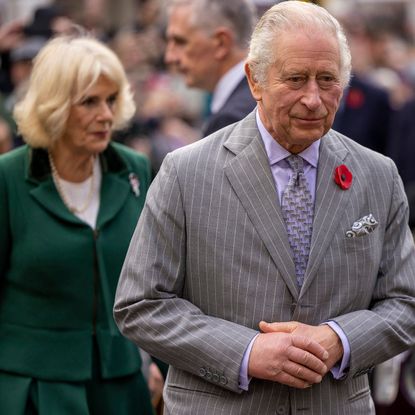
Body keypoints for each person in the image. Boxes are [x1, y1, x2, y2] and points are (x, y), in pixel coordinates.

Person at [114, 2, 415, 414]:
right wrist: (247, 352)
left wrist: (339, 340)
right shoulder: (186, 172)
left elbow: (405, 302)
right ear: (254, 80)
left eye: (327, 80)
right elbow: (140, 304)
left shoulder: (378, 175)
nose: (313, 98)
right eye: (295, 79)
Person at [0, 35, 154, 414]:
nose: (106, 115)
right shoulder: (8, 177)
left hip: (121, 385)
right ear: (54, 107)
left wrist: (170, 371)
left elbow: (158, 279)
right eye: (89, 102)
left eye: (111, 99)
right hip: (36, 388)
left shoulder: (132, 168)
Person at [164, 0, 257, 136]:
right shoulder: (253, 101)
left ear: (221, 43)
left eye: (180, 42)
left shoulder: (232, 120)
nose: (170, 57)